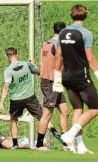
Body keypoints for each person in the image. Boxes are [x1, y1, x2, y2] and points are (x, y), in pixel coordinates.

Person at [53, 4, 98, 154]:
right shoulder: (86, 33)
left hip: (67, 78)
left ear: (72, 16)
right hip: (81, 77)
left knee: (78, 109)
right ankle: (70, 135)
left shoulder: (62, 33)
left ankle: (80, 147)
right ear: (85, 16)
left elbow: (58, 56)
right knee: (95, 108)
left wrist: (57, 78)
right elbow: (91, 59)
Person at [0, 47, 62, 150]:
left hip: (16, 99)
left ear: (7, 57)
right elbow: (39, 72)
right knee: (42, 117)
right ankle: (55, 132)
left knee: (13, 120)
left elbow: (6, 87)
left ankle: (15, 144)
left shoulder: (8, 70)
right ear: (17, 55)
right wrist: (33, 65)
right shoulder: (27, 65)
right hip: (30, 97)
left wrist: (1, 102)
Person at [36, 21, 70, 150]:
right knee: (47, 113)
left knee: (65, 111)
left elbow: (41, 63)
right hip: (51, 81)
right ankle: (39, 144)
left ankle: (66, 143)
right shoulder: (58, 45)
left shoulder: (46, 43)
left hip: (52, 81)